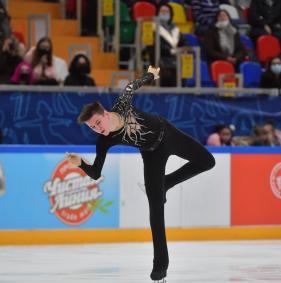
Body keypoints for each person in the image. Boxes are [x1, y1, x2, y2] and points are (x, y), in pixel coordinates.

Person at [65, 66, 215, 282]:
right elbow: (96, 173)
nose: (97, 129)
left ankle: (167, 182)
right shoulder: (104, 140)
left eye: (98, 123)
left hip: (168, 134)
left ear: (105, 114)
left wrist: (151, 75)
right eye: (92, 127)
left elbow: (132, 86)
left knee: (207, 161)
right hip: (151, 154)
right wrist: (80, 163)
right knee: (155, 208)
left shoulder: (121, 105)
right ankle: (160, 267)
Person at [147, 3, 185, 87]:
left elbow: (183, 42)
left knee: (183, 74)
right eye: (162, 11)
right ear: (158, 13)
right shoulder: (153, 28)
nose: (164, 13)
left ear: (170, 14)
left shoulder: (175, 28)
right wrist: (170, 51)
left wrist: (182, 49)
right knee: (167, 75)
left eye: (166, 11)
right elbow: (154, 45)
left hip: (175, 59)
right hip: (159, 58)